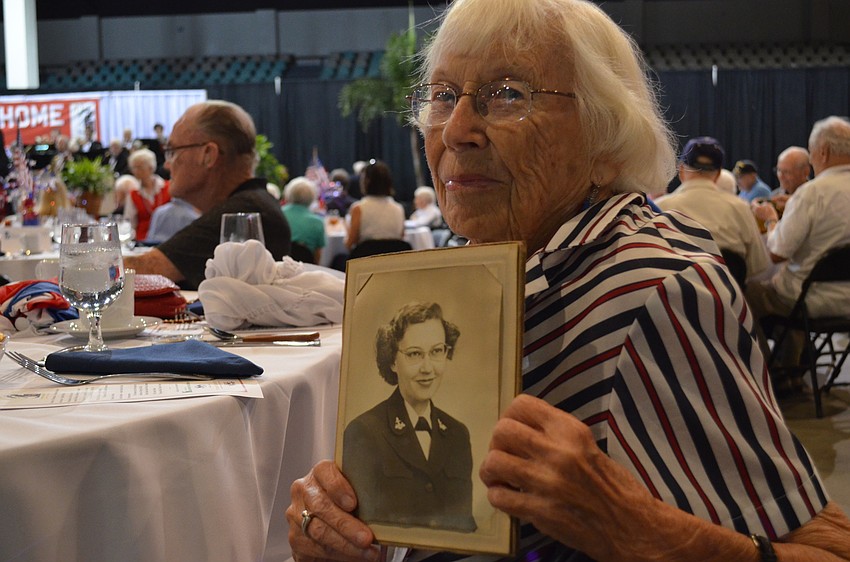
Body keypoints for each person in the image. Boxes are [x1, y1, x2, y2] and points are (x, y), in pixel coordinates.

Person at [287, 1, 850, 561]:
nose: (456, 130)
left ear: (606, 139)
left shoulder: (650, 290)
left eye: (508, 93)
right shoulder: (481, 268)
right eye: (441, 96)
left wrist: (642, 531)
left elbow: (828, 549)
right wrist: (348, 535)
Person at [124, 100, 291, 290]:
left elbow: (142, 270)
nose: (167, 165)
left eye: (172, 151)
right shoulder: (254, 201)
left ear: (208, 154)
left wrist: (90, 263)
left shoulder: (243, 213)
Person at [343, 301, 476, 533]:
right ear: (393, 360)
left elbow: (463, 526)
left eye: (436, 351)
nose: (427, 368)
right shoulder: (364, 432)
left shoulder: (458, 434)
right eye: (415, 354)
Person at [748, 116, 850, 388]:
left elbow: (777, 253)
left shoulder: (812, 194)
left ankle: (771, 374)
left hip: (812, 301)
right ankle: (789, 368)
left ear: (824, 151)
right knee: (791, 284)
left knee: (743, 292)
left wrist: (770, 218)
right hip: (846, 300)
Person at [655, 137, 768, 282]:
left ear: (681, 169)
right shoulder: (740, 208)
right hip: (728, 301)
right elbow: (757, 266)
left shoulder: (660, 208)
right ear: (718, 174)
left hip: (673, 301)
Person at [345, 160, 405, 250]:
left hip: (365, 261)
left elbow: (349, 244)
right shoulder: (399, 208)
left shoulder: (358, 208)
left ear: (366, 182)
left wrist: (346, 227)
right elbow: (400, 238)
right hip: (393, 261)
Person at [124, 147, 171, 241]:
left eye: (139, 167)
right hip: (142, 241)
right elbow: (130, 222)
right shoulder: (133, 194)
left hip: (167, 238)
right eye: (133, 167)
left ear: (151, 167)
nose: (136, 171)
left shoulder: (168, 187)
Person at [282, 176, 326, 264]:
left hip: (280, 265)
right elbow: (317, 256)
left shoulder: (279, 214)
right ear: (312, 197)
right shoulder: (317, 222)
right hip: (307, 268)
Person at [770, 146, 810, 213]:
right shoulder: (774, 196)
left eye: (786, 172)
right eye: (779, 170)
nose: (781, 176)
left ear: (805, 172)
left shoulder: (816, 198)